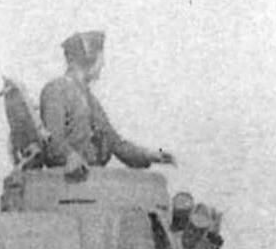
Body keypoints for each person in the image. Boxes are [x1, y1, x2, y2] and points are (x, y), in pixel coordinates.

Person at [38, 30, 174, 178]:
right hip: (67, 180)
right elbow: (53, 139)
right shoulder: (56, 90)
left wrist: (149, 155)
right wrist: (70, 156)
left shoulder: (89, 99)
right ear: (89, 58)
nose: (103, 64)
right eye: (100, 58)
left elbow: (115, 143)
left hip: (91, 178)